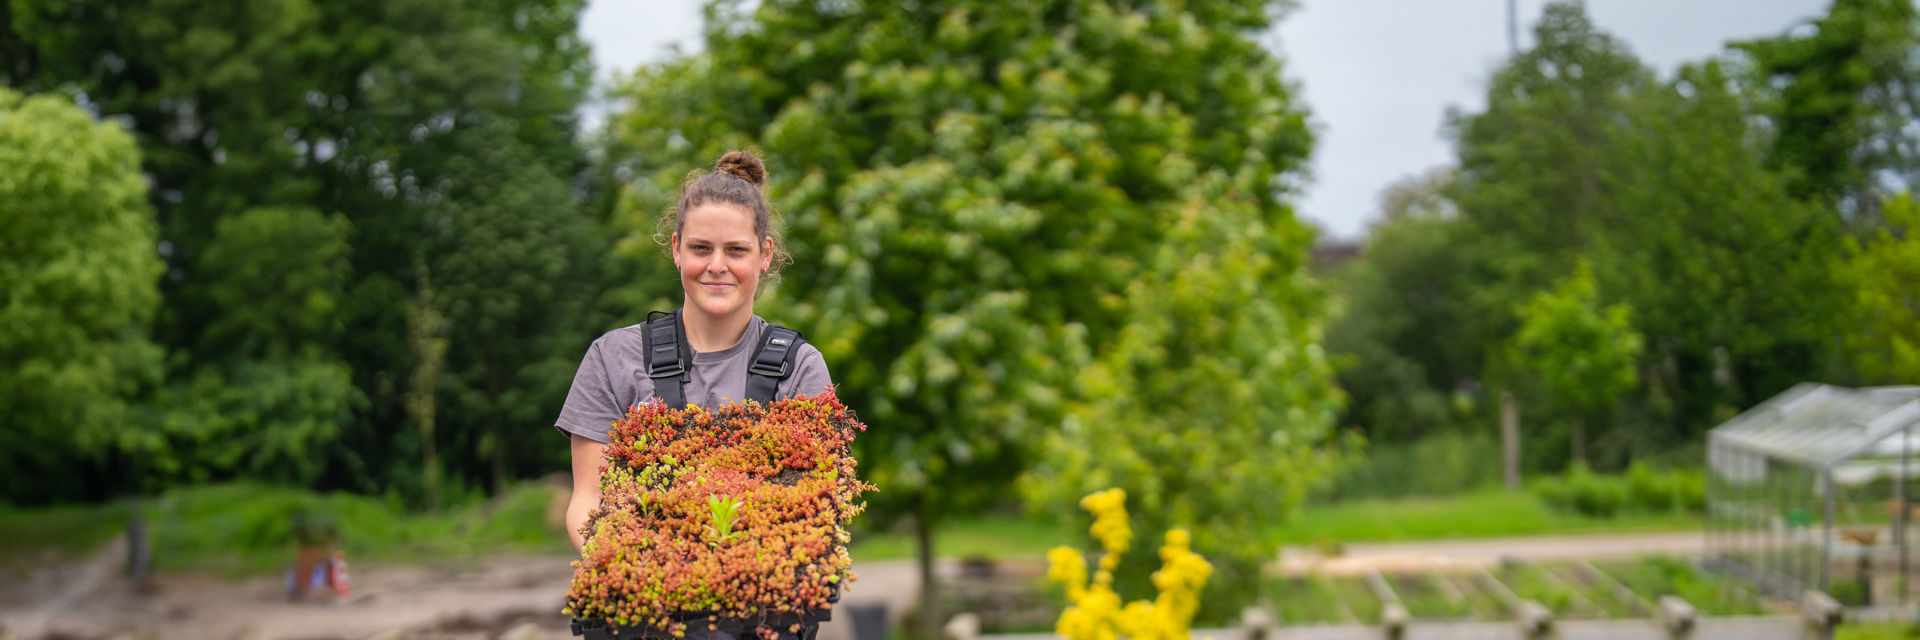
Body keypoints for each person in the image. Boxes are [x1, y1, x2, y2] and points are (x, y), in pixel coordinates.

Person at [554, 150, 833, 639]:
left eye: (736, 251)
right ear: (677, 249)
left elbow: (814, 513)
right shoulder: (614, 357)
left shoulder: (799, 367)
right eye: (701, 249)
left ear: (765, 255)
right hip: (643, 614)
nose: (717, 266)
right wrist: (641, 576)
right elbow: (587, 500)